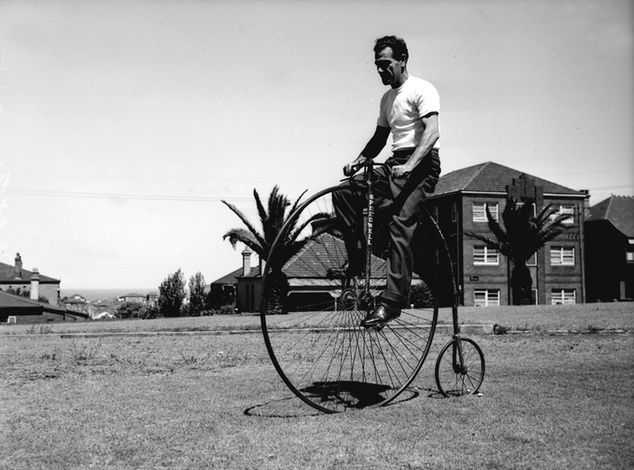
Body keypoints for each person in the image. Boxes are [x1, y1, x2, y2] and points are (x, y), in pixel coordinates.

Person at [333, 35, 441, 328]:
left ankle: (392, 303)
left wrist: (410, 165)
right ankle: (357, 263)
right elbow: (380, 138)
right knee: (344, 193)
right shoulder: (387, 98)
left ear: (402, 60)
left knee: (400, 224)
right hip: (394, 166)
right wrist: (359, 160)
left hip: (421, 166)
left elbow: (431, 133)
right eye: (377, 66)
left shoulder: (422, 89)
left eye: (385, 64)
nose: (380, 71)